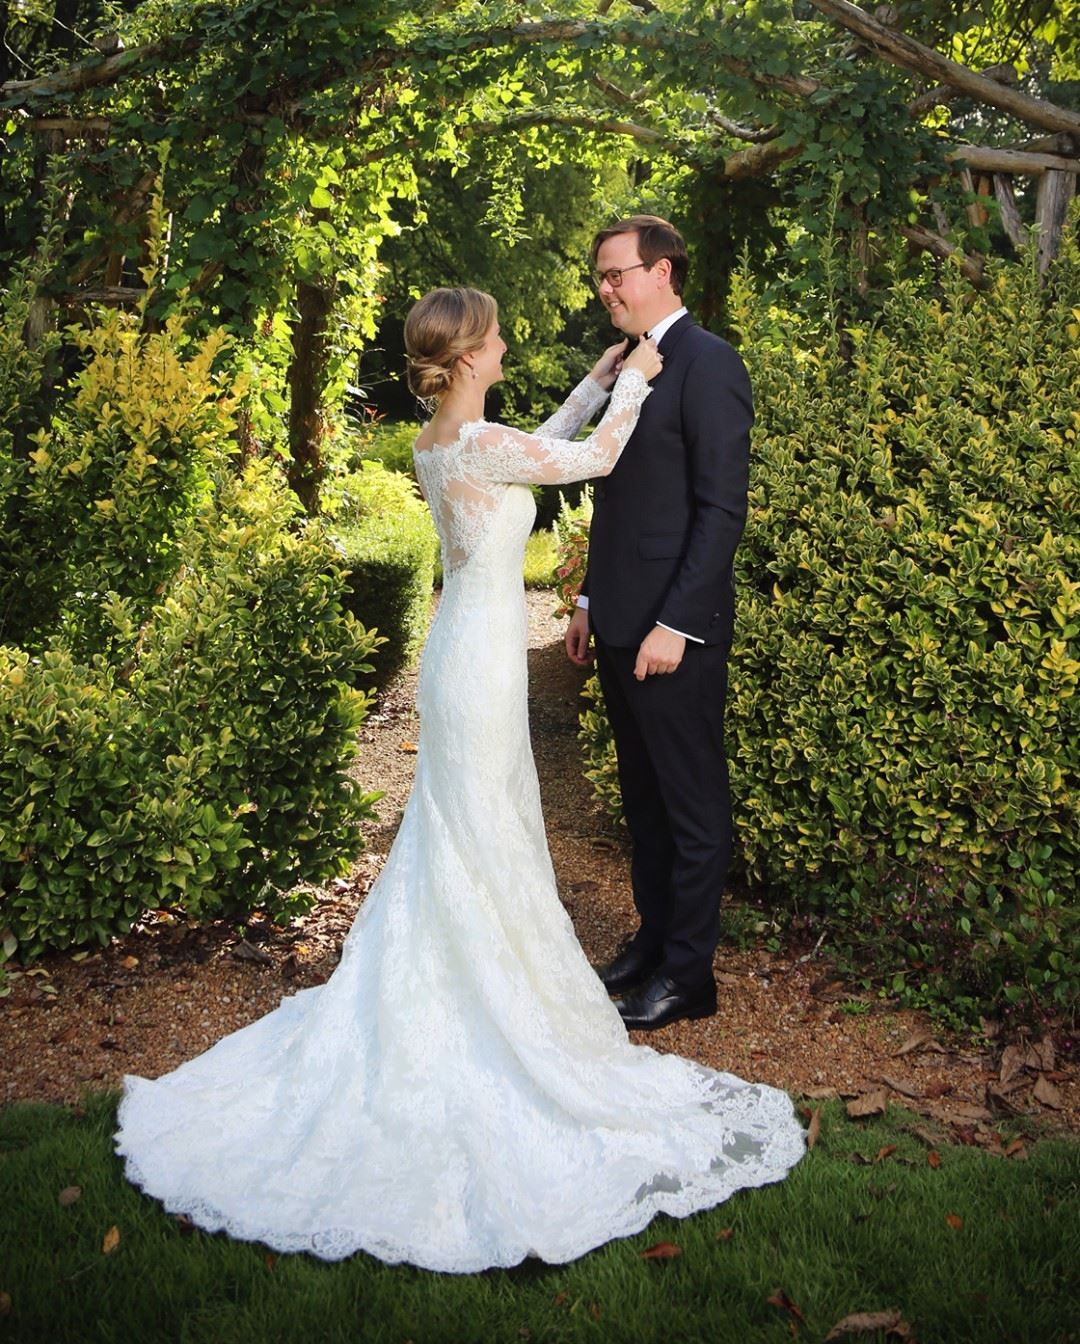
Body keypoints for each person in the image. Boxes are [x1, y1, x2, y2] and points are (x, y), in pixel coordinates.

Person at [114, 286, 803, 1273]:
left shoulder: (445, 439)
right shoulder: (479, 447)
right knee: (481, 833)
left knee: (467, 835)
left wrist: (591, 382)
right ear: (474, 352)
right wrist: (639, 383)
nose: (509, 336)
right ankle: (487, 1006)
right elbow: (592, 459)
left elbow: (539, 438)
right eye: (498, 330)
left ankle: (472, 978)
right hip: (476, 669)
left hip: (459, 655)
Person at [566, 215, 752, 1032]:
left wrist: (675, 622)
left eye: (618, 274)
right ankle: (653, 942)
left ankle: (689, 977)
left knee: (690, 805)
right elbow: (615, 497)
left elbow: (720, 511)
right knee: (643, 804)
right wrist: (587, 602)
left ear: (665, 271)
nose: (606, 288)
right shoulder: (623, 368)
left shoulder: (711, 365)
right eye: (601, 276)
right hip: (616, 623)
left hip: (675, 634)